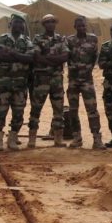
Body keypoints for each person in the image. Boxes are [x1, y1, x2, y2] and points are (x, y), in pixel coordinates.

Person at [0, 14, 35, 150]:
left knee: (18, 112)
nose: (20, 26)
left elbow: (30, 58)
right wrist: (19, 56)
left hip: (20, 84)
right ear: (11, 25)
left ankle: (12, 137)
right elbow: (1, 55)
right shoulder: (3, 38)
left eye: (22, 23)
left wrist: (13, 53)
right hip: (4, 83)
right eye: (17, 23)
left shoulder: (27, 41)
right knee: (1, 111)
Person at [27, 14, 68, 148]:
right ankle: (32, 139)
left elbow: (65, 56)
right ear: (44, 25)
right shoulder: (38, 39)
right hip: (41, 79)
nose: (50, 24)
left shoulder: (61, 38)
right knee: (36, 109)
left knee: (58, 110)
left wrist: (48, 59)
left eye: (52, 22)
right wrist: (54, 60)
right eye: (47, 22)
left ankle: (58, 139)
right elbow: (36, 56)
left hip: (56, 80)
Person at [66, 16, 105, 149]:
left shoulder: (93, 38)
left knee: (92, 110)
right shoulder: (69, 40)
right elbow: (67, 57)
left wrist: (88, 68)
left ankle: (96, 138)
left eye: (83, 25)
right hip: (73, 80)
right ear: (75, 27)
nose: (82, 28)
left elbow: (95, 56)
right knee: (73, 110)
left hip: (87, 80)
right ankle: (77, 138)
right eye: (79, 26)